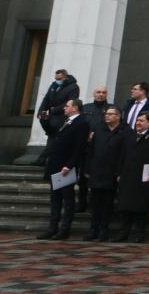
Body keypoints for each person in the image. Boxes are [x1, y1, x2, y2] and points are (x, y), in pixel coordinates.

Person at [37, 99, 90, 240]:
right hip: (55, 165)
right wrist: (44, 120)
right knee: (55, 198)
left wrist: (70, 165)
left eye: (67, 106)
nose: (64, 108)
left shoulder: (82, 123)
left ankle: (64, 229)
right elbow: (52, 133)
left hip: (66, 167)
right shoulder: (65, 121)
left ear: (75, 108)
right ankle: (52, 228)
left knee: (67, 199)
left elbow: (79, 147)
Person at [114, 112, 149, 242]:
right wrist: (119, 173)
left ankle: (139, 233)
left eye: (142, 120)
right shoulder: (130, 136)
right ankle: (123, 232)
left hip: (144, 177)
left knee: (140, 208)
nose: (138, 123)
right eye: (137, 120)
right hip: (127, 176)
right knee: (124, 207)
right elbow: (121, 156)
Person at [84, 105, 127, 242]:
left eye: (111, 114)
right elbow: (90, 151)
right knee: (95, 203)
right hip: (97, 172)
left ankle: (103, 230)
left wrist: (120, 172)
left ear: (118, 116)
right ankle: (93, 230)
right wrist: (87, 169)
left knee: (107, 204)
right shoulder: (99, 129)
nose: (107, 116)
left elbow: (124, 154)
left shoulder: (124, 132)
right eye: (106, 114)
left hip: (112, 173)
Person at [37, 69, 80, 141]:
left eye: (59, 79)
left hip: (62, 117)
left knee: (58, 138)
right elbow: (46, 99)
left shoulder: (74, 87)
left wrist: (55, 109)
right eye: (56, 78)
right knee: (50, 136)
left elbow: (71, 102)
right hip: (51, 117)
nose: (57, 80)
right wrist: (41, 111)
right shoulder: (54, 85)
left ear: (66, 77)